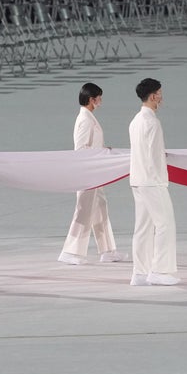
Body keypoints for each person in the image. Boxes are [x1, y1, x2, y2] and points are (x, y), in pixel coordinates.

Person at [58, 83, 126, 265]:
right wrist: (101, 153)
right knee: (84, 210)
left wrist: (103, 150)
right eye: (99, 98)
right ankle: (71, 251)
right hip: (88, 172)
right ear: (91, 99)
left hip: (96, 172)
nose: (101, 101)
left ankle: (108, 250)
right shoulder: (85, 120)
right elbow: (81, 148)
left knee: (100, 210)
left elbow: (91, 146)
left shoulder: (88, 117)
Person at [128, 78, 179, 286]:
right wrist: (162, 181)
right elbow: (154, 156)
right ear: (152, 96)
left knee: (142, 227)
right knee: (165, 224)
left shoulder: (135, 121)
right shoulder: (152, 123)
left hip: (137, 179)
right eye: (159, 93)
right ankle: (160, 270)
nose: (161, 96)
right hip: (152, 181)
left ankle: (139, 273)